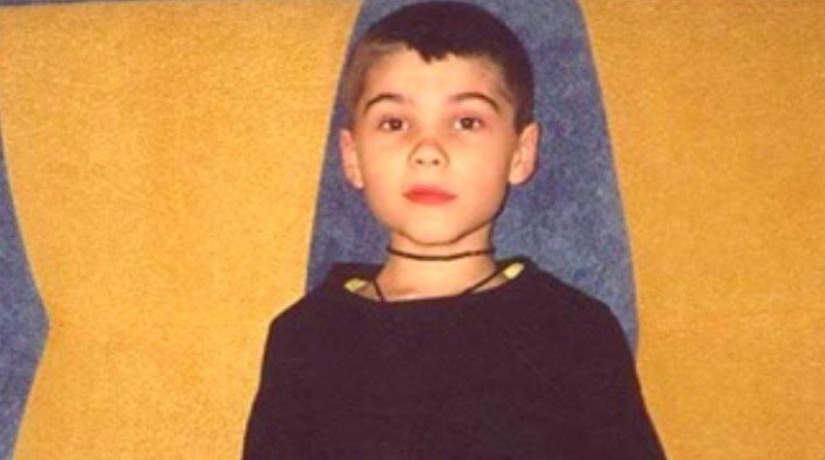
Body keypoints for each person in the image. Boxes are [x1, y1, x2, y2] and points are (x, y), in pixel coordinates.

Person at [243, 2, 664, 458]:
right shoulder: (305, 338)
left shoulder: (575, 333)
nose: (428, 150)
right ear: (352, 156)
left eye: (467, 122)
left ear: (521, 152)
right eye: (394, 123)